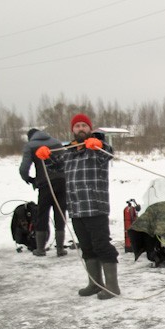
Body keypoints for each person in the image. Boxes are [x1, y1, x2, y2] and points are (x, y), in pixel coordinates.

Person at [35, 114, 119, 299]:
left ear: (90, 128)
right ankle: (95, 283)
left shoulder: (96, 149)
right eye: (77, 126)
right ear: (72, 130)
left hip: (95, 206)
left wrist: (98, 145)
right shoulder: (68, 152)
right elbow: (56, 166)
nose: (80, 129)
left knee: (102, 245)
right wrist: (45, 156)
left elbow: (109, 152)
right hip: (76, 208)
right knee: (86, 247)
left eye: (84, 126)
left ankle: (112, 286)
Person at [19, 128, 68, 257]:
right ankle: (60, 249)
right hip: (62, 181)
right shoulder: (56, 142)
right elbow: (64, 162)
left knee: (43, 214)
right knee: (60, 213)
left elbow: (24, 169)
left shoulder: (30, 146)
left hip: (45, 184)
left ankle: (40, 249)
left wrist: (30, 180)